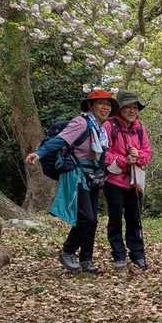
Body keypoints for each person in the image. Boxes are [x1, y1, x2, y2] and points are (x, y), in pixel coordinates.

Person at [27, 87, 115, 273]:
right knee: (86, 217)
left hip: (92, 176)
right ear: (91, 106)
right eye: (101, 103)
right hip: (76, 174)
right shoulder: (81, 123)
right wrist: (39, 153)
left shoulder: (102, 129)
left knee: (93, 220)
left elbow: (101, 155)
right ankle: (68, 251)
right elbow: (61, 140)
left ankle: (86, 259)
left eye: (108, 104)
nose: (105, 107)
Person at [104, 91, 151, 271]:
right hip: (114, 181)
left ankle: (137, 253)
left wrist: (138, 157)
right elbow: (103, 153)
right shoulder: (109, 126)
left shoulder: (139, 128)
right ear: (119, 108)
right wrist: (124, 160)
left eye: (135, 107)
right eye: (128, 107)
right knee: (115, 219)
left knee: (134, 218)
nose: (132, 111)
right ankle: (118, 254)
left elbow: (147, 152)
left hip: (135, 182)